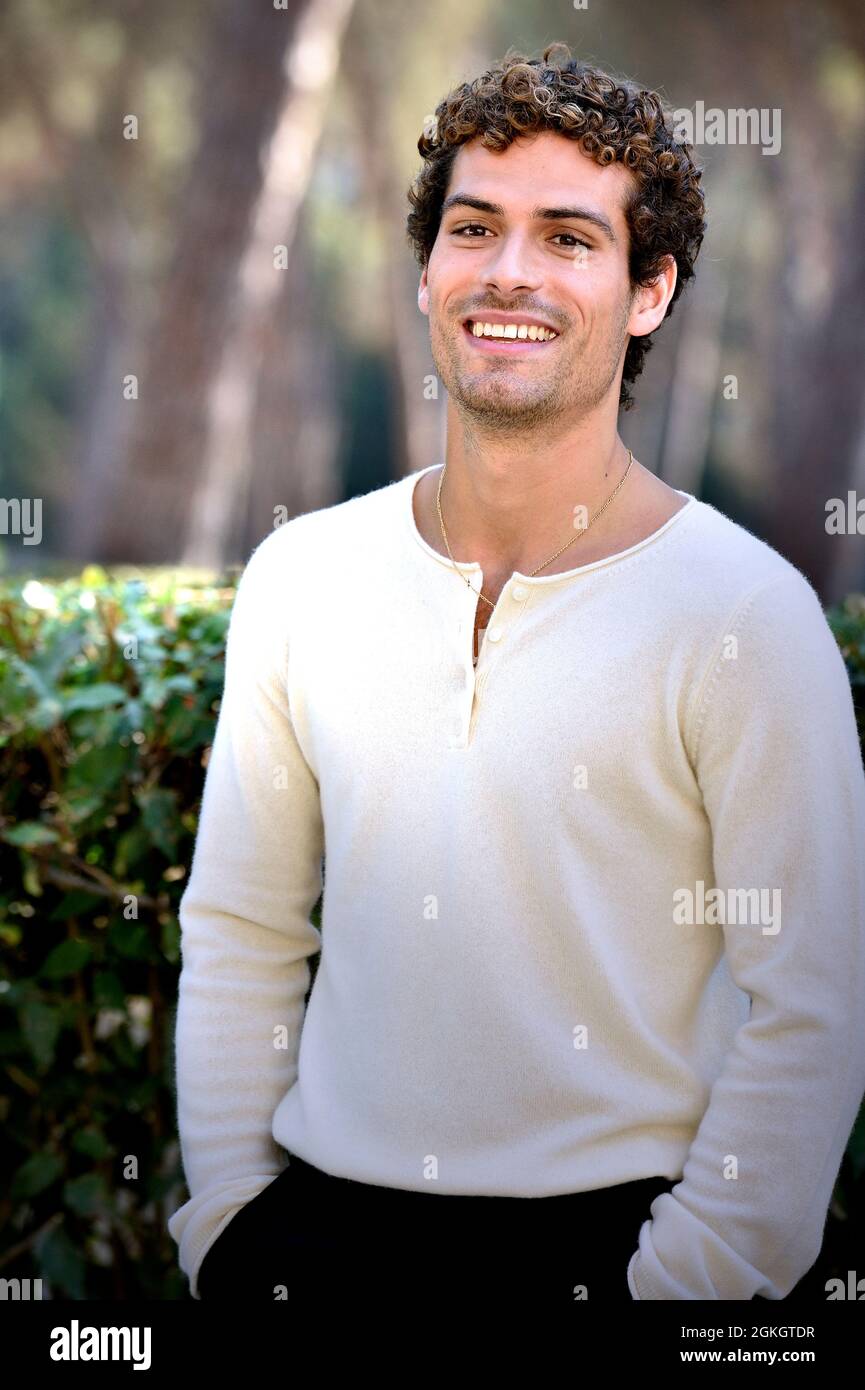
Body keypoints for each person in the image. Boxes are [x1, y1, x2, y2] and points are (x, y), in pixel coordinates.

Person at [168, 42, 865, 1306]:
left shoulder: (746, 616)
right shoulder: (300, 577)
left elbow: (810, 1015)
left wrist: (679, 1287)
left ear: (649, 291)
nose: (508, 274)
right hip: (317, 1254)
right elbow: (241, 933)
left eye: (568, 238)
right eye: (475, 227)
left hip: (617, 1259)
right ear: (428, 267)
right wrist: (228, 1227)